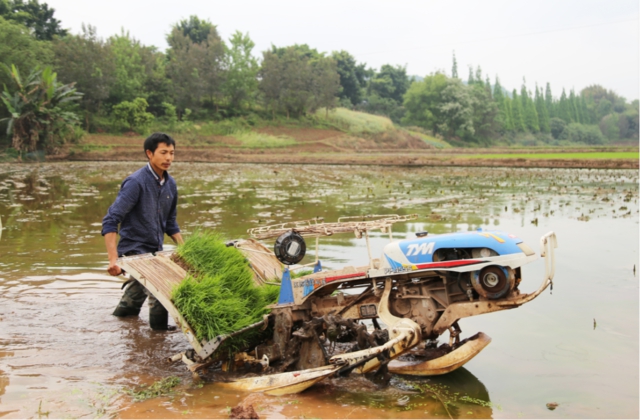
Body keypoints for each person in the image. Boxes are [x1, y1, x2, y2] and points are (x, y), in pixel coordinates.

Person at [101, 132, 184, 330]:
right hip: (134, 250)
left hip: (154, 250)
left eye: (172, 153)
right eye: (163, 153)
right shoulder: (136, 182)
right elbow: (111, 221)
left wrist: (186, 249)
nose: (168, 158)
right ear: (149, 153)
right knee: (159, 290)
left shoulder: (170, 184)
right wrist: (113, 260)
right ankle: (159, 337)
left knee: (136, 292)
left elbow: (170, 223)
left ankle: (117, 323)